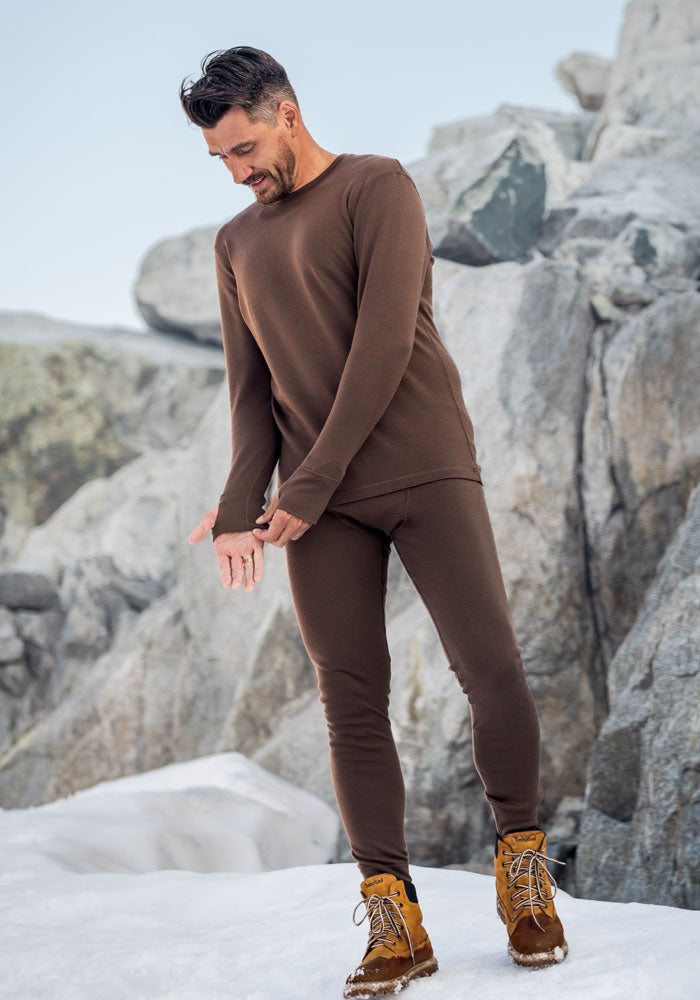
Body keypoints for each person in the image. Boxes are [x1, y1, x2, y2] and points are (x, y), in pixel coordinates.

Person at [182, 45, 568, 996]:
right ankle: (395, 919)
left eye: (244, 149)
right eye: (220, 160)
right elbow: (250, 393)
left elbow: (383, 345)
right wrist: (237, 508)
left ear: (288, 113)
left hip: (423, 467)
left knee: (490, 669)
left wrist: (303, 488)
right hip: (322, 506)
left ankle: (524, 877)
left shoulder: (377, 186)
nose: (237, 173)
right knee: (351, 704)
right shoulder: (235, 244)